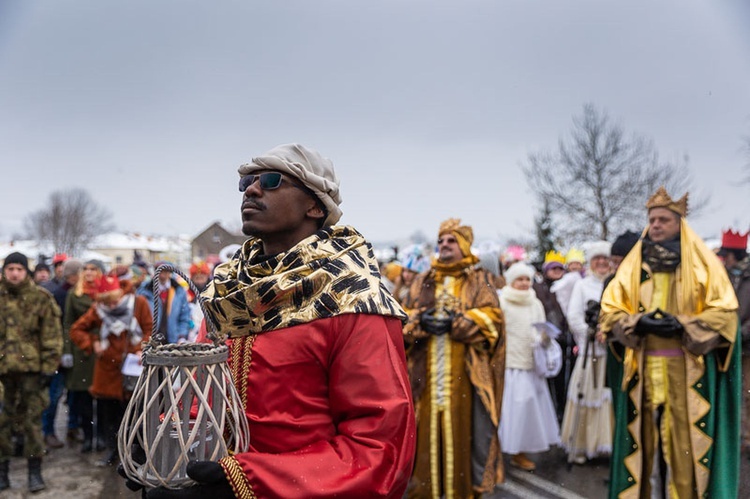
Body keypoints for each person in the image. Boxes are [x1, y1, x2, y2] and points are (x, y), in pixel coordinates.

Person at [130, 143, 415, 498]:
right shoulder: (229, 294)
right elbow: (203, 401)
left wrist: (246, 482)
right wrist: (164, 439)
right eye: (246, 182)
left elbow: (379, 450)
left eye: (272, 180)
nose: (251, 189)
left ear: (315, 204)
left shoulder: (354, 298)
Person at [600, 187, 740, 498]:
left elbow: (725, 314)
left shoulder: (703, 266)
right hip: (643, 372)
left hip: (687, 372)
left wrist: (683, 324)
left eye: (664, 219)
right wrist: (638, 322)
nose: (657, 225)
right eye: (652, 219)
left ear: (679, 224)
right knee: (640, 451)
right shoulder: (634, 268)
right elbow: (610, 311)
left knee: (684, 453)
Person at [403, 218, 505, 498]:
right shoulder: (424, 280)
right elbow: (401, 317)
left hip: (464, 382)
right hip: (424, 382)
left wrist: (458, 322)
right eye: (441, 241)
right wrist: (420, 321)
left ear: (463, 246)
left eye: (451, 241)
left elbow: (494, 319)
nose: (444, 245)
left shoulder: (477, 279)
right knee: (422, 445)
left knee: (464, 442)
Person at [70, 274, 152, 467]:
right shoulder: (97, 309)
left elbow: (150, 329)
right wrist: (93, 343)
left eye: (115, 301)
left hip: (133, 368)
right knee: (109, 414)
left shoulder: (138, 303)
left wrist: (142, 348)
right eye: (108, 303)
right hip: (107, 371)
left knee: (135, 412)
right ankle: (113, 450)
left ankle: (137, 452)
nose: (112, 307)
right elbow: (76, 330)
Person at [0, 252, 63, 492]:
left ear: (26, 272)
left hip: (31, 372)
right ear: (5, 271)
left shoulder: (40, 298)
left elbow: (52, 336)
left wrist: (49, 369)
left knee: (32, 422)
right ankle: (2, 472)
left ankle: (34, 473)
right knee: (2, 423)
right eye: (10, 268)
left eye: (19, 268)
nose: (14, 273)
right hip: (2, 373)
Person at [499, 262, 560, 472]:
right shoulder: (502, 301)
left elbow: (540, 326)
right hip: (511, 364)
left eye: (527, 279)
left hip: (532, 362)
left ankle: (521, 450)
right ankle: (510, 450)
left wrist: (544, 339)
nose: (525, 284)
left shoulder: (535, 303)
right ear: (511, 281)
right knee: (514, 408)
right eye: (520, 279)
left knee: (528, 411)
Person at [560, 241, 613, 464]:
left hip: (610, 352)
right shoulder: (582, 286)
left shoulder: (615, 283)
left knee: (605, 398)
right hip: (589, 351)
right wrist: (591, 333)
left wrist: (608, 332)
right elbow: (573, 317)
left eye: (605, 259)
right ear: (590, 263)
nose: (601, 262)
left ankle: (604, 445)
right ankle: (581, 445)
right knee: (585, 396)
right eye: (596, 259)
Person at [64, 259, 106, 453]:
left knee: (105, 398)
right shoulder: (74, 294)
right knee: (84, 399)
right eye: (86, 269)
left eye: (93, 269)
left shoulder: (107, 293)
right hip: (82, 351)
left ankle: (103, 437)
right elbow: (68, 324)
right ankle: (89, 436)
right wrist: (66, 351)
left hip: (104, 351)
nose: (89, 273)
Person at [42, 258, 83, 450]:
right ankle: (47, 431)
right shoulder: (59, 294)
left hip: (75, 352)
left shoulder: (77, 293)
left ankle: (73, 426)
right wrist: (58, 352)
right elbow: (57, 326)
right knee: (55, 395)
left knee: (75, 394)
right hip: (59, 354)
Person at [717, 229, 750, 458]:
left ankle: (748, 439)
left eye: (726, 255)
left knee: (748, 393)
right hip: (726, 345)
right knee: (729, 390)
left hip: (747, 346)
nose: (723, 259)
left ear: (734, 255)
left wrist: (740, 334)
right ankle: (733, 436)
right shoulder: (724, 276)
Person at [533, 250, 571, 422]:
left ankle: (561, 413)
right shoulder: (538, 289)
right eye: (553, 268)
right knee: (546, 379)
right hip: (544, 339)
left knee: (562, 380)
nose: (557, 271)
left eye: (560, 268)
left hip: (562, 339)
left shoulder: (568, 287)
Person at [137, 263, 191, 344]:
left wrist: (181, 336)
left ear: (170, 273)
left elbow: (184, 316)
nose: (163, 274)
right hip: (151, 339)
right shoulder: (145, 290)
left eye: (166, 271)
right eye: (160, 271)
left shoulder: (179, 291)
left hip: (172, 339)